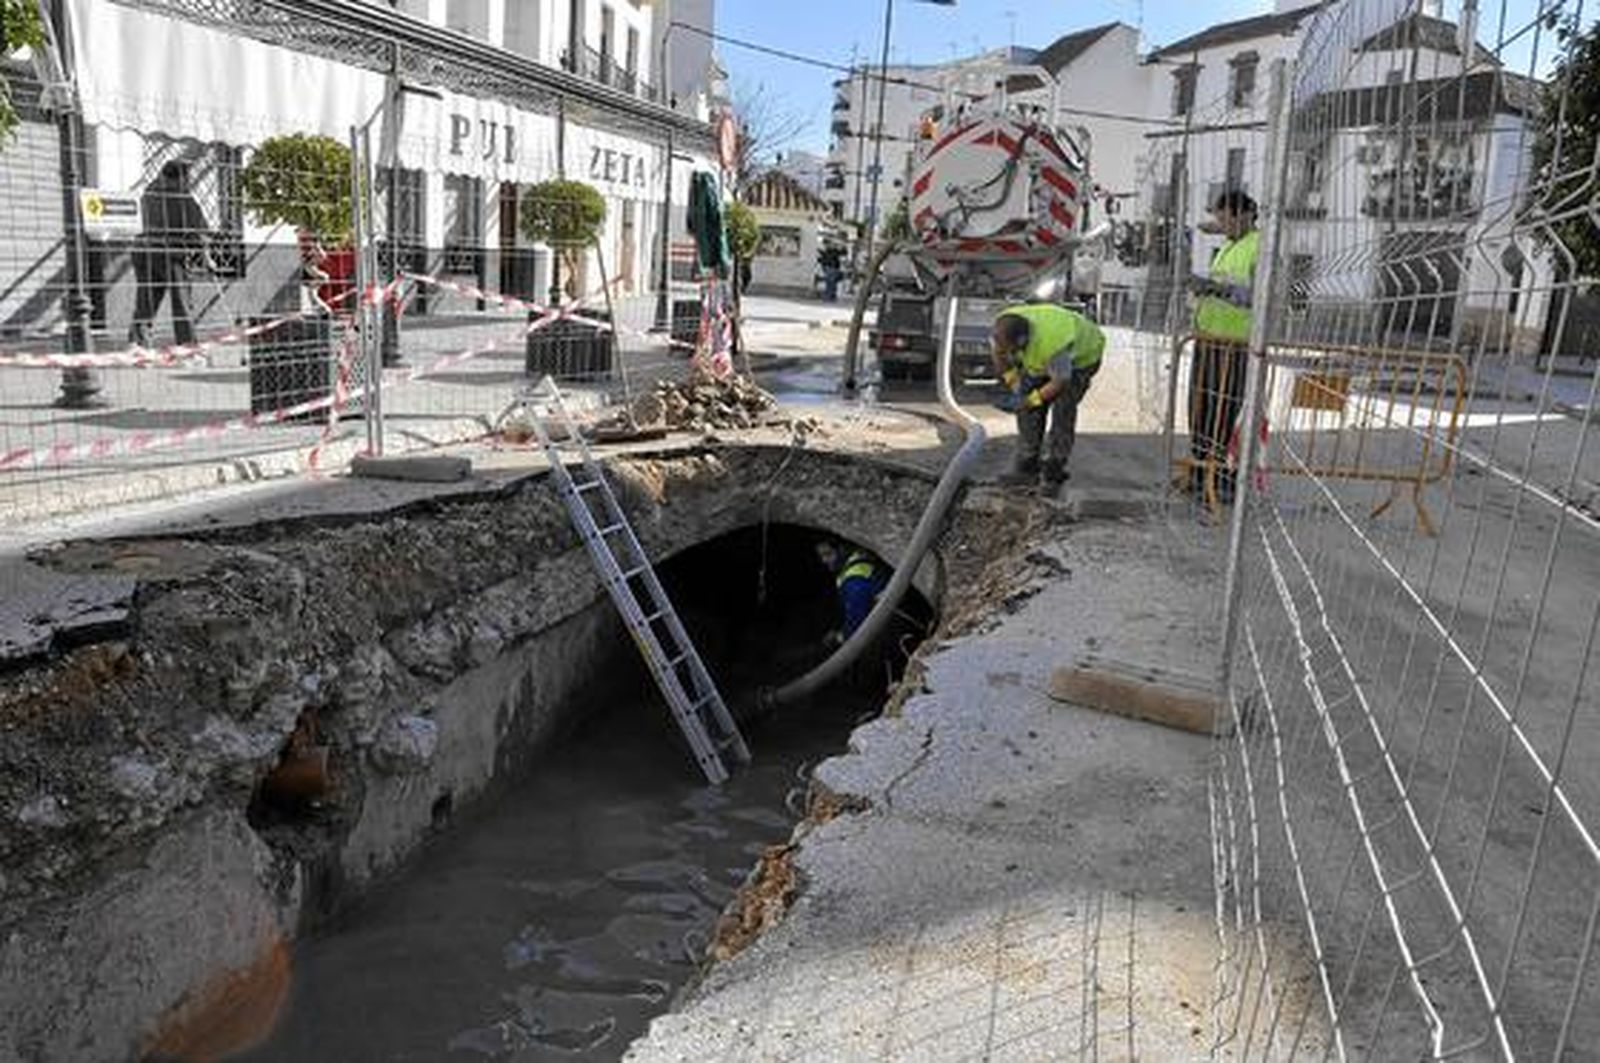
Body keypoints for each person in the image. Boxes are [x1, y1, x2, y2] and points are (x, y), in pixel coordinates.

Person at [1186, 188, 1260, 504]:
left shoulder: (1259, 248)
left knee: (1223, 413)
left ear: (1242, 215)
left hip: (1235, 346)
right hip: (1209, 342)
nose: (1221, 224)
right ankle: (1200, 471)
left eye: (1224, 218)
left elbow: (1261, 297)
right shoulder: (1231, 246)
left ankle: (1221, 477)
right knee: (1200, 410)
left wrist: (1217, 289)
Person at [989, 302, 1106, 491]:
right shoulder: (1002, 328)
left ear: (1022, 341)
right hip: (1043, 355)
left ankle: (1054, 468)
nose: (1007, 353)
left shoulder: (1052, 344)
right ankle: (1027, 467)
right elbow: (999, 355)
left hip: (1081, 360)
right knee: (1028, 407)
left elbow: (1060, 381)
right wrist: (1015, 385)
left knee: (1063, 407)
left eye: (1011, 350)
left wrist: (1030, 401)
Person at [129, 160, 211, 349]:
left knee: (146, 300)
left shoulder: (147, 195)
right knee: (181, 302)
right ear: (181, 178)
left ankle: (137, 344)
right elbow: (200, 231)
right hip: (171, 253)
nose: (188, 182)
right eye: (187, 178)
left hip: (142, 250)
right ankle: (187, 347)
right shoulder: (183, 198)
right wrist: (207, 258)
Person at [815, 541, 889, 644]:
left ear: (841, 550)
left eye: (828, 554)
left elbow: (857, 623)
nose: (824, 561)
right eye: (821, 556)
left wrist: (838, 637)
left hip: (879, 634)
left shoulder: (854, 581)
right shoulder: (859, 560)